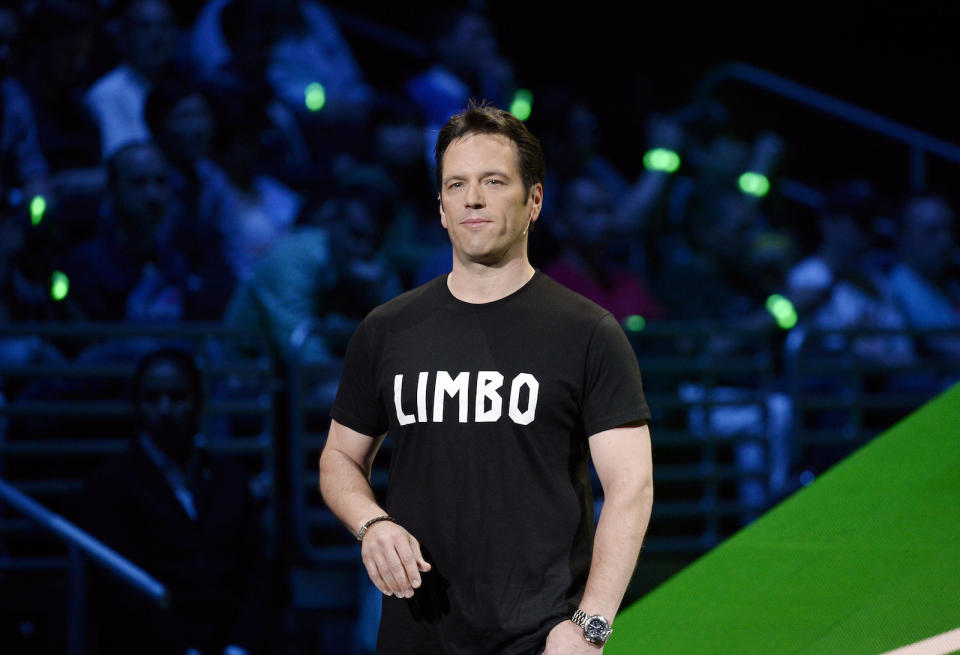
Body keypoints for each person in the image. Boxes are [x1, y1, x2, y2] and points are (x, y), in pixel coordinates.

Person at [318, 101, 653, 654]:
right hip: (413, 636)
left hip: (540, 638)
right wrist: (370, 525)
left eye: (493, 181)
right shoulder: (387, 330)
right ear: (442, 208)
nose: (472, 198)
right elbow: (338, 457)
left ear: (534, 201)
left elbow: (631, 487)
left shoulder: (587, 331)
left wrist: (591, 628)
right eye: (456, 185)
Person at [78, 346, 270, 655]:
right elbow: (116, 597)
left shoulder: (231, 480)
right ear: (136, 406)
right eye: (152, 398)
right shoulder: (109, 486)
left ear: (199, 402)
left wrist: (239, 647)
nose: (165, 409)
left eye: (177, 396)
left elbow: (256, 577)